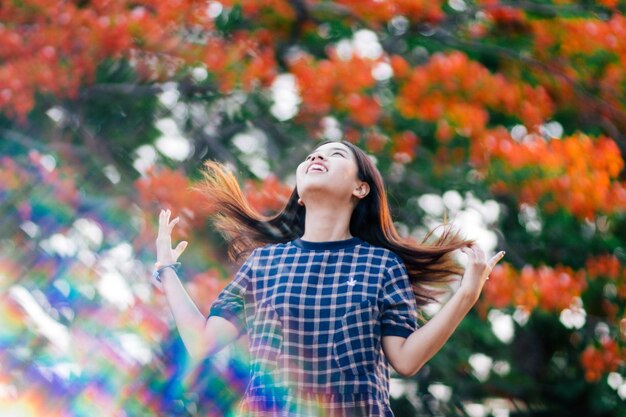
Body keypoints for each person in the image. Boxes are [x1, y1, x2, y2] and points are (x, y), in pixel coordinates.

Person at [153, 140, 505, 416]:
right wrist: (167, 271)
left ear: (360, 188)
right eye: (310, 157)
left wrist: (466, 297)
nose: (314, 159)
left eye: (334, 155)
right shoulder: (263, 264)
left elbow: (406, 360)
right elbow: (201, 343)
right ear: (300, 196)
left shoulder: (382, 266)